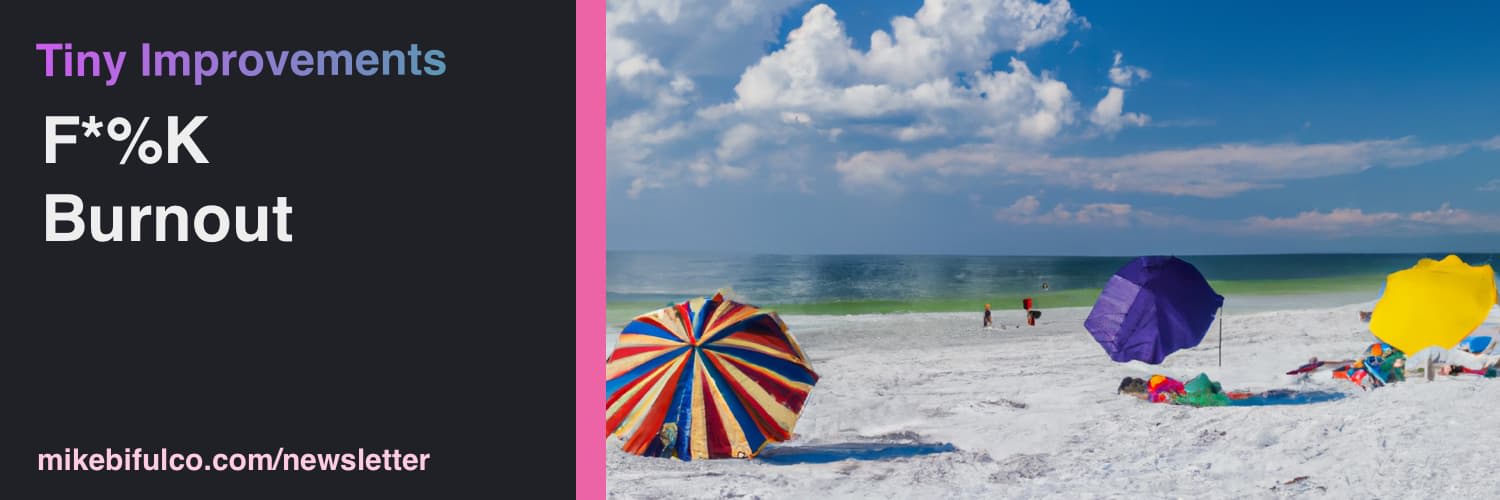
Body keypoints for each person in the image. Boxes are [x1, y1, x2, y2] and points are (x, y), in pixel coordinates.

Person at [1118, 373, 1232, 407]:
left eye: (1132, 393)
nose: (1134, 396)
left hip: (1193, 388)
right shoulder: (1153, 383)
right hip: (1193, 387)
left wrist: (1144, 397)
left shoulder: (1154, 381)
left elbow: (1163, 397)